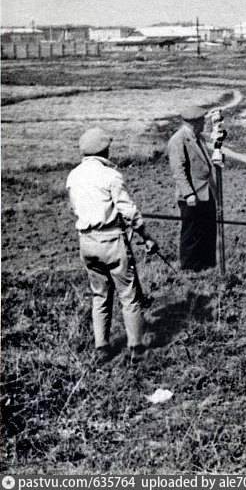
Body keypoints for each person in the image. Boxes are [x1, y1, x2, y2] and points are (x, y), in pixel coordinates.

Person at [66, 127, 159, 364]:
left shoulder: (73, 176)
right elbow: (128, 211)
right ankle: (137, 348)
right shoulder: (111, 175)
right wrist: (146, 236)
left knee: (99, 295)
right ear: (105, 149)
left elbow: (75, 208)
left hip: (86, 241)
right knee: (128, 294)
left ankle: (102, 347)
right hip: (111, 240)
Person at [168, 105, 217, 271]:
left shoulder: (198, 137)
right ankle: (189, 267)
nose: (204, 123)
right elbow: (178, 170)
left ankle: (207, 263)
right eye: (202, 120)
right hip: (192, 196)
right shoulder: (178, 140)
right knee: (191, 232)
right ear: (194, 122)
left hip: (206, 192)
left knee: (207, 229)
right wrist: (188, 194)